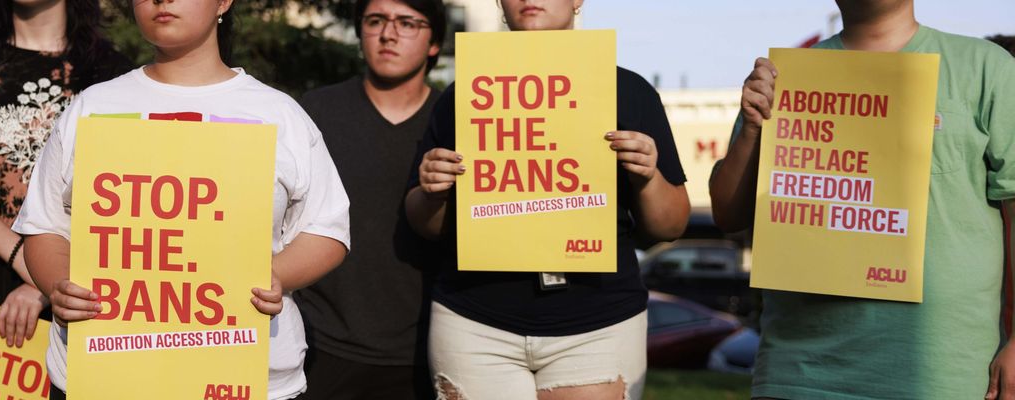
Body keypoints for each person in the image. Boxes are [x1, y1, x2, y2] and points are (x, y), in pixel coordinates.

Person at [12, 0, 351, 399]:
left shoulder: (280, 115)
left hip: (246, 373)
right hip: (105, 374)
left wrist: (275, 276)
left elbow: (326, 229)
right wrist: (58, 284)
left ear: (223, 2)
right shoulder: (92, 107)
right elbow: (44, 225)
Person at [708, 1, 1015, 398]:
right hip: (800, 370)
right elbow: (727, 212)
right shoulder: (786, 78)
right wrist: (752, 127)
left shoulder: (986, 68)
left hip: (945, 371)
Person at [403, 0, 690, 398]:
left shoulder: (630, 91)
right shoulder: (462, 95)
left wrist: (648, 175)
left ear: (578, 1)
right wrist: (433, 191)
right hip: (474, 323)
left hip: (598, 327)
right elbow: (425, 224)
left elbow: (670, 225)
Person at [0, 0, 131, 397]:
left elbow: (119, 196)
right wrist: (24, 258)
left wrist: (45, 281)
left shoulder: (112, 75)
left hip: (78, 286)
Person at [294, 0, 445, 398]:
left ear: (435, 42)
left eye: (407, 23)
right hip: (322, 344)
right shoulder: (315, 111)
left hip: (426, 351)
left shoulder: (453, 122)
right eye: (375, 20)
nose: (388, 34)